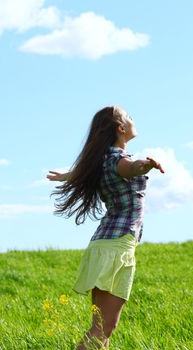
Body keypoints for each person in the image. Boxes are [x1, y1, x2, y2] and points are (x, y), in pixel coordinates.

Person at [47, 106, 164, 349]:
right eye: (129, 116)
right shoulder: (120, 161)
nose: (133, 118)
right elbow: (131, 168)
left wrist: (67, 176)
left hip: (104, 245)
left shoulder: (102, 161)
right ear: (121, 129)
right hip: (116, 247)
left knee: (102, 329)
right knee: (103, 329)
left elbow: (89, 170)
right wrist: (146, 165)